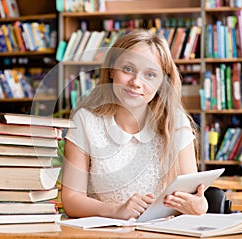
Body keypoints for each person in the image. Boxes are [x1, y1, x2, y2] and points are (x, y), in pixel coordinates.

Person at [61, 30, 208, 220]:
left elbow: (195, 197)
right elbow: (71, 200)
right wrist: (116, 211)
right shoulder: (86, 121)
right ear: (112, 70)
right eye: (128, 69)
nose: (136, 82)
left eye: (150, 74)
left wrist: (199, 205)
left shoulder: (176, 122)